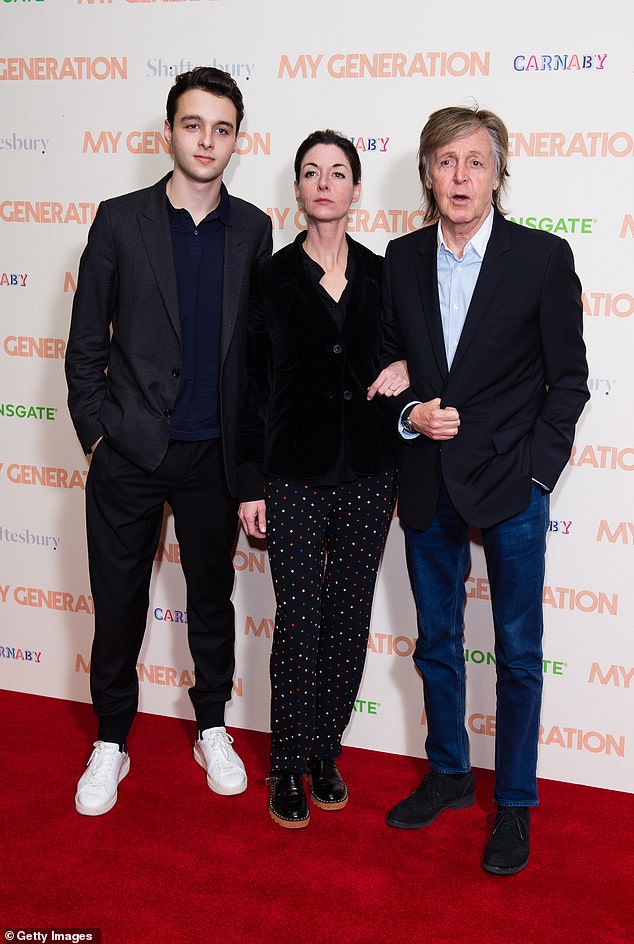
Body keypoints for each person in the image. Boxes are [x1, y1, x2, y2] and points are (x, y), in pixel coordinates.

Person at [369, 106, 589, 873]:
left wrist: (537, 473)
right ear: (427, 174)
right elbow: (389, 365)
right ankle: (450, 774)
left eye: (475, 162)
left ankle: (516, 805)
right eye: (445, 162)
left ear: (498, 175)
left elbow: (570, 382)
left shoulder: (541, 258)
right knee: (436, 643)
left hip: (511, 485)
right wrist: (408, 414)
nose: (460, 177)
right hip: (428, 481)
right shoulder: (398, 259)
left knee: (519, 654)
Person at [65, 66, 272, 816]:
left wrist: (248, 464)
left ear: (235, 142)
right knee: (118, 602)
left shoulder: (252, 229)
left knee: (212, 600)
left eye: (221, 128)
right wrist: (97, 436)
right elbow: (85, 343)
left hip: (211, 457)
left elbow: (252, 360)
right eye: (193, 124)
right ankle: (111, 741)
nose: (206, 139)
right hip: (129, 452)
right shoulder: (119, 219)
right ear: (169, 132)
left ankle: (210, 724)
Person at [238, 130, 407, 828]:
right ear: (299, 190)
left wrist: (412, 372)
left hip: (370, 474)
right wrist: (251, 482)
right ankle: (285, 763)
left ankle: (325, 751)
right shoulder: (272, 278)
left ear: (357, 188)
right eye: (311, 172)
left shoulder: (384, 273)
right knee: (300, 621)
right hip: (293, 477)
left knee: (348, 619)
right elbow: (250, 387)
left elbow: (419, 351)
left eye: (338, 172)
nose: (324, 183)